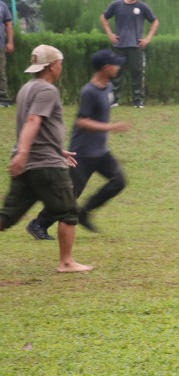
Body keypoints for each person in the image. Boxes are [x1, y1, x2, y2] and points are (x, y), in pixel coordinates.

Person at [0, 45, 91, 272]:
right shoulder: (47, 90)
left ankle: (67, 261)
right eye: (60, 63)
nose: (60, 67)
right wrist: (24, 153)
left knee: (7, 216)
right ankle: (67, 262)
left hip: (30, 162)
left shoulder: (26, 89)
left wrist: (56, 150)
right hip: (45, 165)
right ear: (52, 65)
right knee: (69, 211)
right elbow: (32, 121)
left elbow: (36, 128)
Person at [26, 50, 130, 238]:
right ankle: (38, 224)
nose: (118, 67)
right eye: (115, 64)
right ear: (106, 67)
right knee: (71, 194)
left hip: (100, 151)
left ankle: (84, 212)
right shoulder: (89, 91)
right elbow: (81, 121)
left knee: (119, 181)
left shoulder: (107, 88)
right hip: (82, 152)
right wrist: (111, 127)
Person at [100, 0, 159, 107]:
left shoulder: (142, 7)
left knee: (137, 73)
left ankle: (137, 101)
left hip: (136, 46)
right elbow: (103, 17)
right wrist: (110, 34)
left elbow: (155, 21)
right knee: (115, 73)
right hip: (118, 46)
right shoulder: (116, 5)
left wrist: (147, 38)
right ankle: (114, 100)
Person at [0, 0, 14, 107]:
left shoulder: (2, 5)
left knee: (1, 72)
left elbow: (8, 25)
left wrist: (10, 42)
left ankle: (3, 99)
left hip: (0, 45)